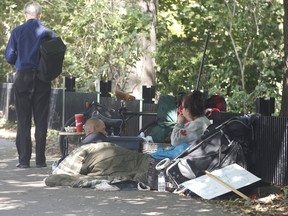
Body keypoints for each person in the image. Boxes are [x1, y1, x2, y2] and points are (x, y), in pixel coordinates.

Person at [5, 2, 55, 168]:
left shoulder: (18, 31)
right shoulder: (48, 32)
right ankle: (40, 160)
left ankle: (24, 160)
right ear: (40, 15)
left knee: (23, 119)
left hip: (23, 77)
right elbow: (54, 54)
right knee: (41, 119)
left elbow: (9, 56)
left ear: (25, 15)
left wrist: (19, 62)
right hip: (42, 78)